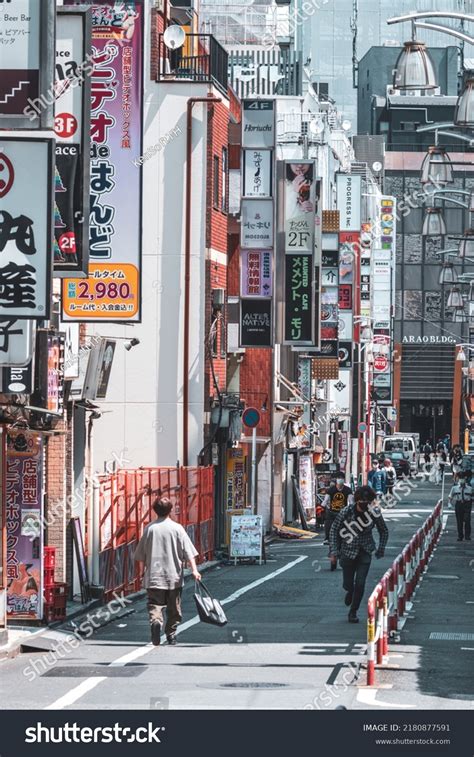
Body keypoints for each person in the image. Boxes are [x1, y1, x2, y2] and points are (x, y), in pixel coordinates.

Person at [134, 495, 202, 646]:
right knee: (174, 608)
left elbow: (140, 555)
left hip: (154, 576)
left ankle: (156, 621)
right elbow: (189, 552)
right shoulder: (177, 529)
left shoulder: (149, 529)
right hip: (173, 577)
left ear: (154, 510)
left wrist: (141, 574)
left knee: (155, 604)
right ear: (171, 510)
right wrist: (195, 570)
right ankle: (171, 634)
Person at [329, 486, 389, 623]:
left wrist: (381, 548)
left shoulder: (374, 512)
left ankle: (353, 611)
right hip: (347, 551)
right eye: (361, 500)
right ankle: (350, 591)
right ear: (357, 500)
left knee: (360, 583)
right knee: (348, 584)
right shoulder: (346, 511)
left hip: (365, 551)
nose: (364, 503)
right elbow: (334, 530)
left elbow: (383, 531)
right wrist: (334, 551)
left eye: (367, 501)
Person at [322, 476, 354, 561]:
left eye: (341, 485)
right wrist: (322, 506)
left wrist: (352, 509)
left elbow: (351, 501)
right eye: (338, 485)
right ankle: (327, 538)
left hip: (343, 513)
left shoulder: (348, 490)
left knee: (347, 526)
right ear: (336, 483)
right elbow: (326, 500)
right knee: (328, 522)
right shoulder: (331, 490)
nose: (339, 487)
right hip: (332, 512)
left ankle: (348, 538)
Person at [448, 472, 472, 542]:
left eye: (463, 478)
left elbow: (472, 497)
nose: (462, 480)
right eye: (460, 478)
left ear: (465, 479)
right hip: (458, 504)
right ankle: (460, 536)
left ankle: (467, 536)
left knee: (467, 520)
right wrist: (449, 503)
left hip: (467, 504)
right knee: (459, 521)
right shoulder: (454, 488)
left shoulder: (470, 488)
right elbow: (450, 496)